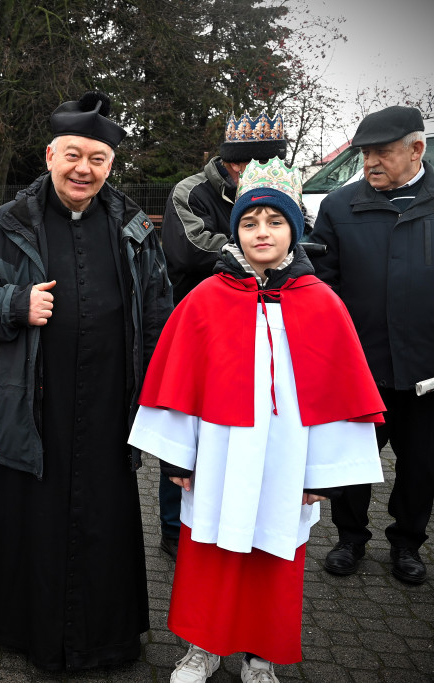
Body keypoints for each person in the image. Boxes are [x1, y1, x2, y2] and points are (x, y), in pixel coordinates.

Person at [129, 158, 385, 683]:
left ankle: (260, 655)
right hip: (218, 452)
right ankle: (202, 648)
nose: (261, 232)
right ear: (235, 231)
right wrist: (179, 456)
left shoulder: (322, 303)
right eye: (249, 222)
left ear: (295, 229)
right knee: (208, 554)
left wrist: (321, 476)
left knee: (274, 556)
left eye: (274, 221)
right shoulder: (206, 299)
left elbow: (341, 393)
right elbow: (178, 380)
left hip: (285, 461)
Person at [0, 92, 172, 670]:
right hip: (31, 406)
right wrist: (15, 304)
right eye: (73, 155)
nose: (83, 169)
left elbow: (158, 316)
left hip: (106, 407)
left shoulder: (133, 227)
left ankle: (108, 635)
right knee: (35, 519)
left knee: (104, 517)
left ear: (111, 165)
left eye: (97, 159)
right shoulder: (5, 225)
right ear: (50, 154)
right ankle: (30, 630)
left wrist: (152, 400)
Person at [157, 110, 288, 559]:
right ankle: (175, 530)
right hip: (200, 324)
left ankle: (244, 519)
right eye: (247, 165)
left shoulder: (281, 190)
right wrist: (256, 244)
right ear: (231, 163)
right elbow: (190, 250)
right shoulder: (190, 192)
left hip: (263, 329)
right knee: (186, 424)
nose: (255, 174)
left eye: (268, 163)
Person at [311, 105, 434, 586]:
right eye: (364, 154)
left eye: (382, 152)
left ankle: (407, 544)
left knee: (421, 466)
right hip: (361, 369)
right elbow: (322, 281)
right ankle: (350, 539)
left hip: (427, 371)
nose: (370, 163)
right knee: (352, 464)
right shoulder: (340, 207)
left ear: (416, 149)